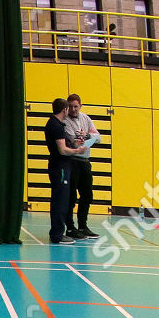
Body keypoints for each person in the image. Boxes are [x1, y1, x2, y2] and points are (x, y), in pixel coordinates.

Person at [45, 99, 86, 245]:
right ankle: (57, 234)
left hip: (61, 166)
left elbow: (63, 144)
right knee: (60, 201)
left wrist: (74, 143)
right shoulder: (55, 125)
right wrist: (78, 150)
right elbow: (62, 150)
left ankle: (57, 232)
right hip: (60, 167)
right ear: (65, 110)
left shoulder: (56, 124)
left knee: (62, 200)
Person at [62, 94, 101, 239]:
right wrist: (78, 140)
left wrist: (88, 135)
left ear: (80, 106)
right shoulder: (65, 120)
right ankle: (70, 228)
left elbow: (99, 137)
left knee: (87, 195)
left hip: (85, 162)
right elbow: (73, 141)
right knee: (71, 197)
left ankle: (83, 226)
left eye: (75, 106)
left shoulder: (86, 119)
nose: (73, 109)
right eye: (70, 106)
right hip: (72, 161)